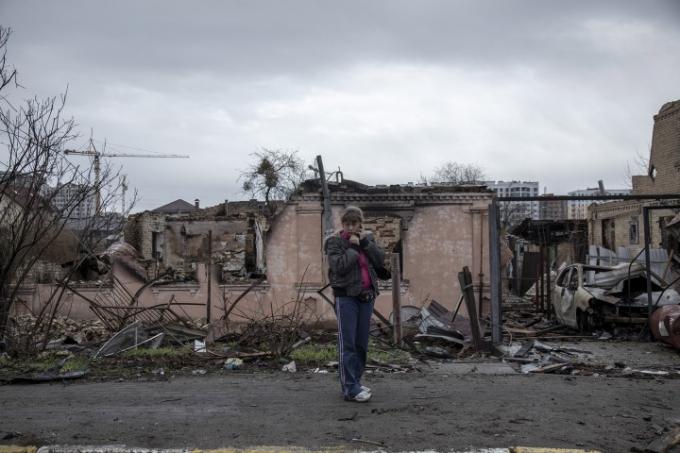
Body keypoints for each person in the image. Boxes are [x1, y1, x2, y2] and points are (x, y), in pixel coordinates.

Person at [324, 206, 386, 402]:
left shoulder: (367, 239)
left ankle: (356, 382)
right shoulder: (334, 242)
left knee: (361, 344)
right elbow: (339, 267)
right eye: (347, 223)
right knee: (348, 343)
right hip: (346, 297)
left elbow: (379, 260)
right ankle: (350, 388)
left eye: (354, 223)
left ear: (360, 223)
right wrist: (352, 247)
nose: (351, 227)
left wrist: (365, 243)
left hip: (366, 297)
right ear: (342, 224)